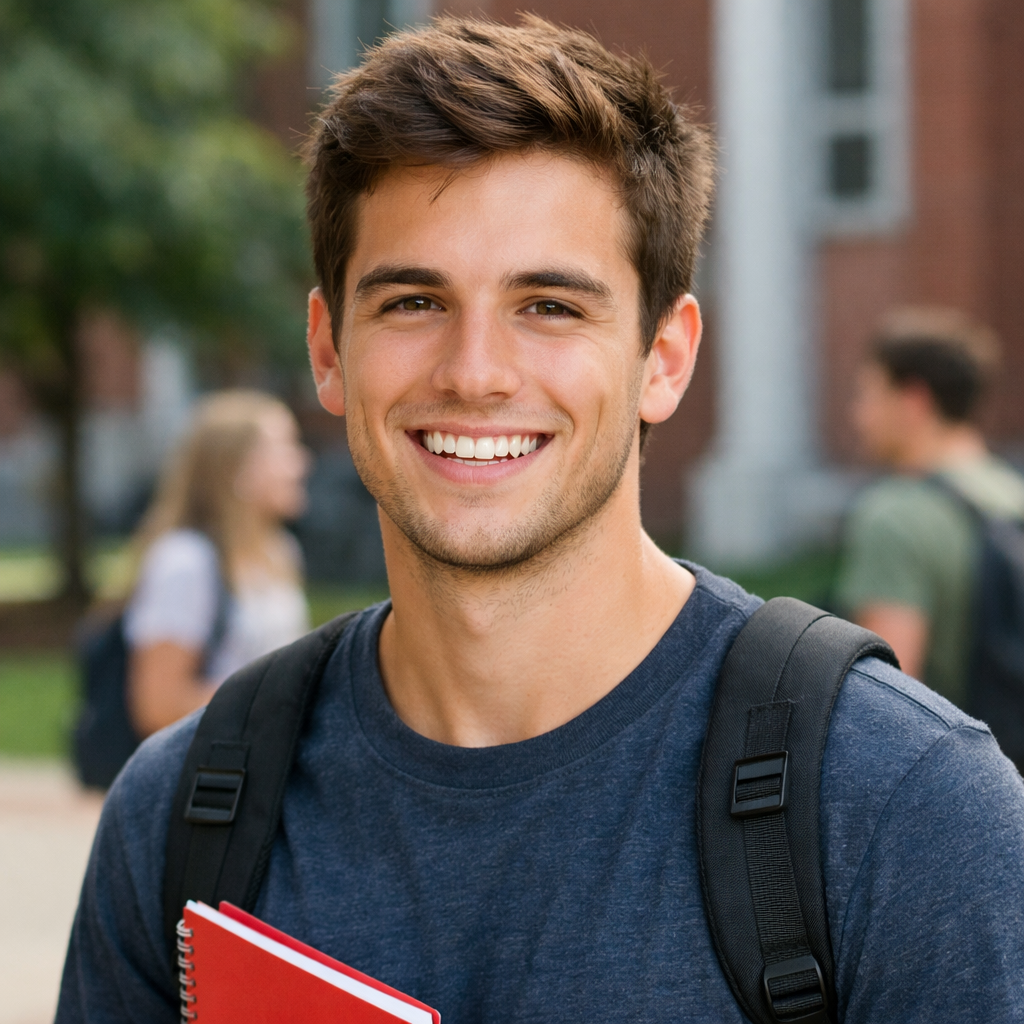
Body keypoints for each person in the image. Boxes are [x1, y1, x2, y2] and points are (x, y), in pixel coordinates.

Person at [57, 17, 1024, 1023]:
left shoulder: (900, 808)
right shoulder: (181, 818)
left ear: (663, 358)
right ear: (328, 349)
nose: (474, 372)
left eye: (550, 306)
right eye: (413, 302)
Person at [836, 309, 1024, 709]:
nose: (858, 416)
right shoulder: (1012, 492)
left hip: (957, 745)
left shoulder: (897, 517)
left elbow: (889, 702)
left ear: (913, 400)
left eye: (869, 395)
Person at [124, 389, 311, 736]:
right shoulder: (186, 560)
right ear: (235, 469)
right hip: (211, 762)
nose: (300, 464)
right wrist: (276, 700)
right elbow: (158, 705)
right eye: (284, 448)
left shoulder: (280, 552)